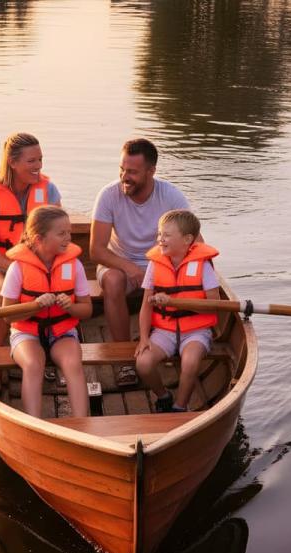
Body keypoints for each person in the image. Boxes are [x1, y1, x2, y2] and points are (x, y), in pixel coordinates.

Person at [89, 138, 191, 386]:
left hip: (159, 264)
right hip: (119, 263)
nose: (125, 176)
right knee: (112, 281)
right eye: (122, 169)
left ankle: (173, 345)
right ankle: (124, 360)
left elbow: (194, 243)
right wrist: (129, 267)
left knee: (184, 281)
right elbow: (96, 250)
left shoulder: (171, 196)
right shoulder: (108, 195)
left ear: (151, 171)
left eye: (132, 172)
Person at [0, 132, 62, 392]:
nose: (38, 166)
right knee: (1, 293)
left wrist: (42, 269)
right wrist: (19, 269)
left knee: (64, 296)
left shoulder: (48, 190)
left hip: (44, 265)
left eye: (40, 160)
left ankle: (58, 356)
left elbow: (62, 238)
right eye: (31, 161)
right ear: (13, 163)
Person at [1, 206, 93, 418]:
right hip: (27, 333)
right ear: (39, 238)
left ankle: (82, 423)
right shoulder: (18, 268)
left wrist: (70, 307)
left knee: (72, 363)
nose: (68, 238)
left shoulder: (75, 265)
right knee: (34, 364)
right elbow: (7, 315)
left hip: (62, 332)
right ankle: (34, 424)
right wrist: (35, 305)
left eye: (69, 232)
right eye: (61, 233)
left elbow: (86, 310)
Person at [135, 209, 220, 412]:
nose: (160, 239)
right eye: (159, 234)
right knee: (143, 363)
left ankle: (179, 406)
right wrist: (144, 338)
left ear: (187, 239)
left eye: (166, 235)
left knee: (190, 361)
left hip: (196, 331)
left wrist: (173, 301)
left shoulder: (203, 266)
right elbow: (146, 305)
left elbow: (215, 303)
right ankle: (164, 395)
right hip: (165, 331)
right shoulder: (156, 265)